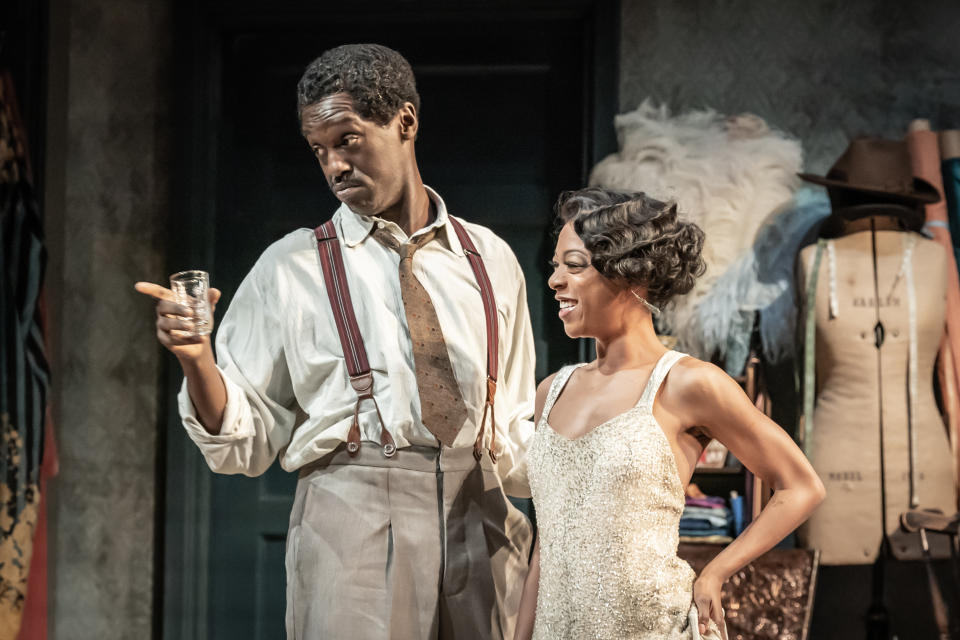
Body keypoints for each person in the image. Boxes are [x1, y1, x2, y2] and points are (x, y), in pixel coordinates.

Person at [136, 44, 536, 639]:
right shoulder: (291, 266)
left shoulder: (490, 259)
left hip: (481, 518)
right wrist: (197, 361)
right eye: (319, 150)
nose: (333, 166)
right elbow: (243, 439)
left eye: (348, 139)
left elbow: (517, 422)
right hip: (355, 519)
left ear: (405, 121)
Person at [513, 188, 825, 640]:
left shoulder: (686, 384)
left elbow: (801, 487)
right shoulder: (552, 392)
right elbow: (549, 543)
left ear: (630, 276)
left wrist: (716, 572)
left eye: (574, 265)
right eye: (556, 266)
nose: (555, 281)